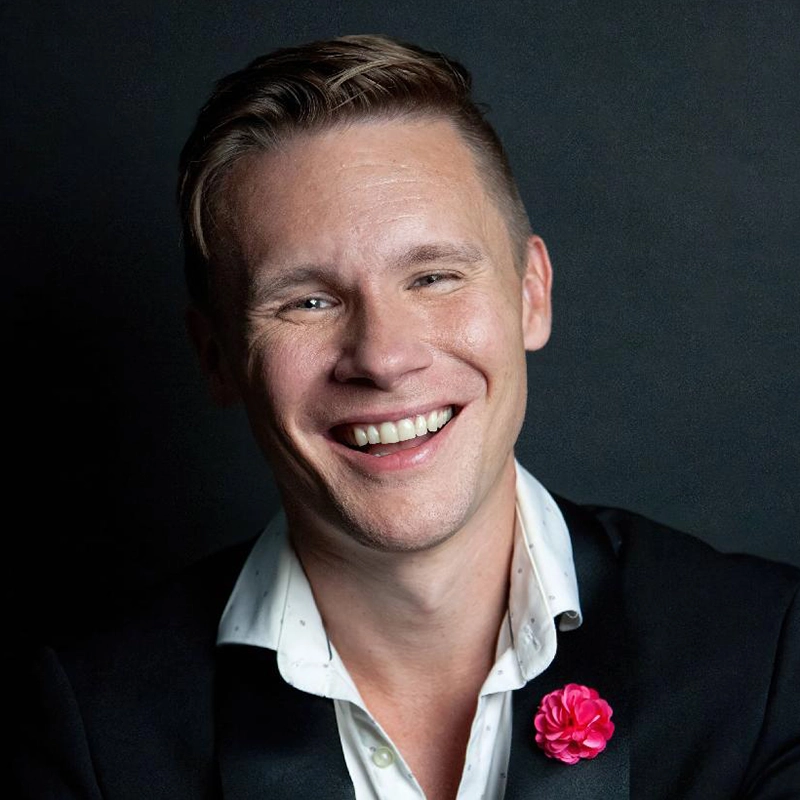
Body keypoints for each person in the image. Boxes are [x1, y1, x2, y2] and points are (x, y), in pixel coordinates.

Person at [14, 34, 799, 800]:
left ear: (531, 294)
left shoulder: (768, 656)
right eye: (309, 300)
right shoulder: (89, 732)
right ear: (216, 356)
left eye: (432, 276)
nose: (383, 358)